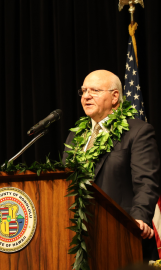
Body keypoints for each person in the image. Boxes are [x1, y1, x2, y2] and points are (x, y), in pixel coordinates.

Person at [62, 70, 161, 261]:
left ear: (115, 96)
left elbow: (146, 182)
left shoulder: (137, 132)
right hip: (79, 239)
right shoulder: (75, 136)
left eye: (95, 90)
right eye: (83, 91)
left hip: (122, 234)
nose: (86, 96)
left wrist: (138, 218)